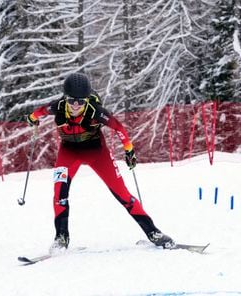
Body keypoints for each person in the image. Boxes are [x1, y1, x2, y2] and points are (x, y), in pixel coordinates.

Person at [27, 73, 175, 252]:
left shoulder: (96, 111)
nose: (76, 105)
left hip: (97, 153)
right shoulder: (56, 107)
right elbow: (38, 112)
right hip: (68, 152)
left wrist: (129, 150)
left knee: (122, 194)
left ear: (87, 100)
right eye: (72, 100)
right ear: (65, 98)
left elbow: (119, 128)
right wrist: (32, 118)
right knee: (60, 193)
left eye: (81, 101)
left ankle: (153, 232)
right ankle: (61, 238)